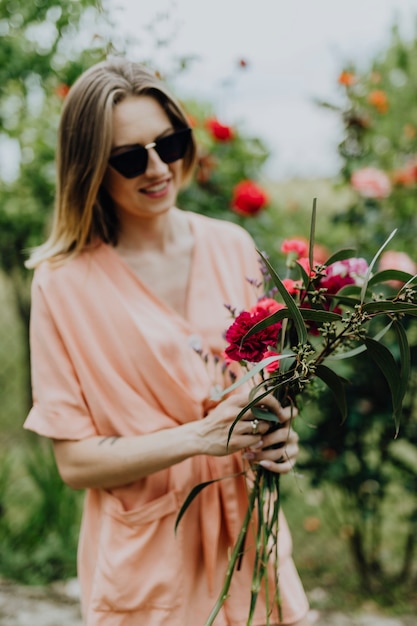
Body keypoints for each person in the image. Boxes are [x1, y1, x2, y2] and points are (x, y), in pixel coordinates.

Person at [24, 58, 311, 626]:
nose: (157, 168)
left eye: (170, 143)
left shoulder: (231, 245)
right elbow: (75, 462)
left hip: (249, 545)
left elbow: (265, 387)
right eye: (130, 157)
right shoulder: (62, 283)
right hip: (147, 561)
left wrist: (276, 438)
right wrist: (201, 437)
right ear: (90, 169)